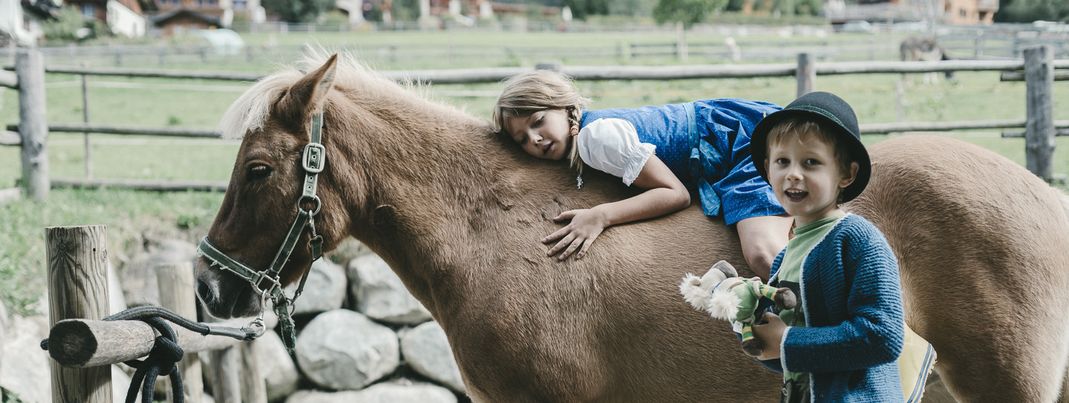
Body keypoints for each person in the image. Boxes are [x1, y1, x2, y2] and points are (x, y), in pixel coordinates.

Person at [492, 70, 792, 278]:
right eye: (521, 139)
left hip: (734, 142)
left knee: (762, 254)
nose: (534, 139)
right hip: (717, 143)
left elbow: (675, 194)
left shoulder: (596, 138)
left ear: (565, 108)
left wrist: (602, 215)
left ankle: (826, 325)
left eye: (538, 121)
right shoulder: (581, 144)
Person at [748, 91, 908, 402]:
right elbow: (786, 355)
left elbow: (883, 337)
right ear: (768, 169)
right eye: (783, 161)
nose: (793, 173)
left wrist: (788, 342)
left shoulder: (858, 239)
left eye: (811, 162)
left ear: (847, 174)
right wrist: (756, 325)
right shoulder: (787, 254)